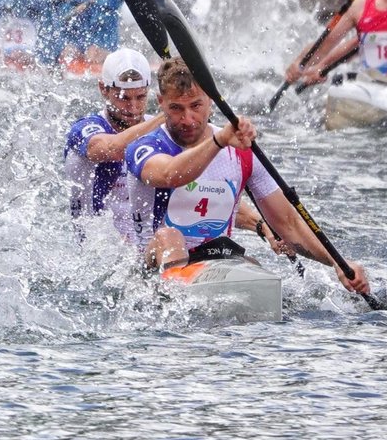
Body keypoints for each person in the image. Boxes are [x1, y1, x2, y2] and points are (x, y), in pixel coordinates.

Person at [125, 58, 372, 295]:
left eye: (196, 106)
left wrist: (338, 262)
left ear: (210, 100)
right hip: (151, 269)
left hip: (213, 261)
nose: (187, 119)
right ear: (160, 102)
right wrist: (219, 140)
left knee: (251, 265)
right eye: (176, 108)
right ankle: (175, 303)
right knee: (169, 236)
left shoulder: (242, 152)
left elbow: (288, 223)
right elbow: (171, 175)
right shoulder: (145, 147)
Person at [65, 49, 164, 242]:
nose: (133, 108)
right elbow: (111, 149)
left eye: (141, 97)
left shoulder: (161, 128)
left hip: (152, 243)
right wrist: (167, 116)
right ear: (104, 89)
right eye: (124, 98)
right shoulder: (86, 127)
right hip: (100, 249)